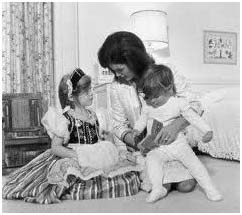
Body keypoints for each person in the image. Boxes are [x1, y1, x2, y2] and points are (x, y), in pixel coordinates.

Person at [2, 68, 141, 204]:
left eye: (91, 90)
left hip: (93, 155)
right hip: (74, 154)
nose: (91, 94)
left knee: (123, 174)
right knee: (67, 170)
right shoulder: (66, 118)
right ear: (71, 96)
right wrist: (76, 156)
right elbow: (56, 147)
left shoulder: (93, 115)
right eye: (87, 92)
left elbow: (96, 140)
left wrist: (105, 141)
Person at [98, 31, 198, 194]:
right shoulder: (116, 86)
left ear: (134, 60)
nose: (117, 74)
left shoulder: (166, 70)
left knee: (186, 186)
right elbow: (118, 125)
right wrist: (137, 142)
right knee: (158, 185)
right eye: (113, 70)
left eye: (120, 69)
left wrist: (174, 127)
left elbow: (195, 105)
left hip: (173, 143)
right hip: (144, 148)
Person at [133, 64, 223, 203]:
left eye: (156, 96)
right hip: (159, 147)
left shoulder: (178, 103)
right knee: (152, 159)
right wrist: (137, 129)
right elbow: (142, 119)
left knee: (194, 164)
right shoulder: (149, 106)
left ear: (168, 89)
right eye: (148, 97)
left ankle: (210, 188)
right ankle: (158, 188)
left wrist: (207, 130)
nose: (152, 101)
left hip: (178, 145)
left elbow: (193, 117)